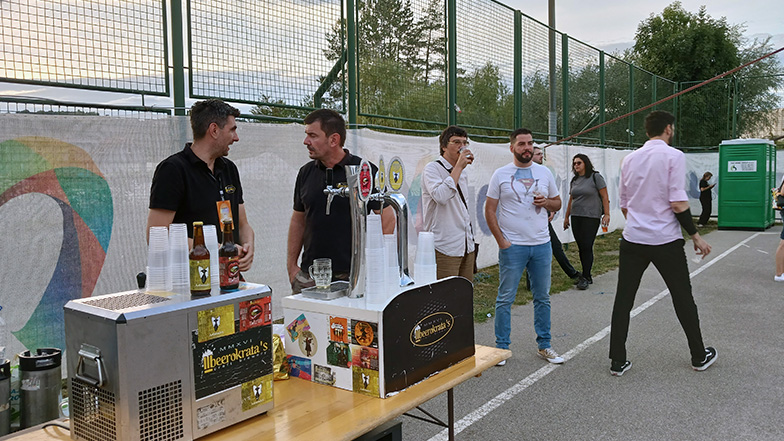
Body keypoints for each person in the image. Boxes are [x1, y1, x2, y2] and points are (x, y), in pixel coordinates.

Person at [609, 110, 716, 376]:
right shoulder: (673, 156)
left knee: (624, 299)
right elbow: (677, 203)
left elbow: (624, 205)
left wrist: (640, 224)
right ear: (668, 128)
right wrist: (695, 235)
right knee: (682, 297)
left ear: (648, 131)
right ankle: (699, 355)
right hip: (665, 240)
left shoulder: (629, 159)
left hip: (633, 239)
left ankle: (617, 361)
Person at [287, 109, 394, 293]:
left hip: (352, 277)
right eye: (306, 135)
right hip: (310, 276)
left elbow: (388, 218)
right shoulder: (306, 172)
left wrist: (373, 266)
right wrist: (291, 267)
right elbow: (298, 220)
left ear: (333, 140)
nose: (306, 141)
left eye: (313, 135)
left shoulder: (364, 171)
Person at [485, 128, 565, 366]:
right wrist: (502, 241)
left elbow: (557, 203)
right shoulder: (501, 174)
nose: (527, 148)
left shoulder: (544, 172)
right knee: (505, 298)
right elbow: (489, 210)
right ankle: (501, 348)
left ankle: (544, 345)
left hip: (541, 245)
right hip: (513, 247)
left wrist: (547, 202)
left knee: (542, 297)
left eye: (530, 143)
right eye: (521, 144)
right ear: (512, 148)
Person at [148, 99, 255, 272]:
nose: (236, 138)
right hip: (189, 279)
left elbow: (243, 224)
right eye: (232, 130)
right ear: (214, 130)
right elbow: (156, 235)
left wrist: (248, 245)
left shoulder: (229, 169)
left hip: (228, 276)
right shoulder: (173, 170)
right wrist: (218, 251)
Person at [420, 126, 476, 282]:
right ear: (443, 146)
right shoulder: (432, 168)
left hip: (465, 243)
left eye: (465, 142)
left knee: (465, 291)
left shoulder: (462, 172)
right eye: (456, 142)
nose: (462, 146)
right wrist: (458, 167)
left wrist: (470, 238)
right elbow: (441, 196)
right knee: (445, 293)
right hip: (444, 245)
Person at [532, 147, 581, 283]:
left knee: (555, 246)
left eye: (542, 154)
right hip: (530, 220)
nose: (541, 156)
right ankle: (532, 281)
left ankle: (572, 273)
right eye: (538, 154)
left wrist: (551, 209)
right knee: (532, 249)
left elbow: (552, 197)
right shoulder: (527, 174)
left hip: (543, 218)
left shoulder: (544, 172)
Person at [563, 154, 610, 290]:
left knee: (587, 245)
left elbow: (604, 196)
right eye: (574, 163)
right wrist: (566, 217)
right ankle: (585, 275)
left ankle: (586, 276)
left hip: (591, 216)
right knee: (581, 246)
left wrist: (607, 214)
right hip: (576, 216)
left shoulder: (595, 177)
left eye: (579, 163)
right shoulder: (575, 180)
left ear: (585, 163)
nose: (576, 165)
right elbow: (571, 199)